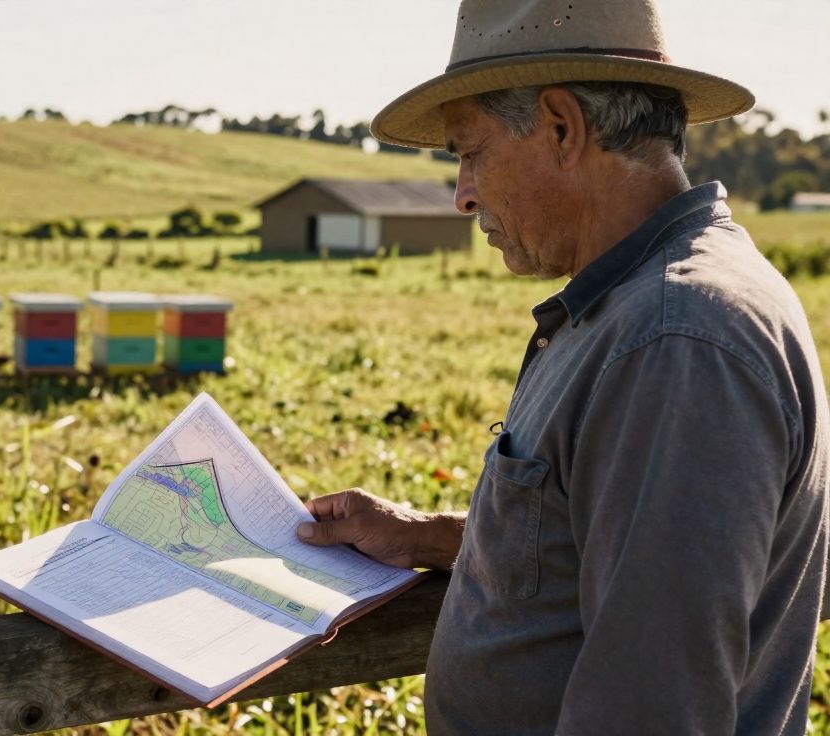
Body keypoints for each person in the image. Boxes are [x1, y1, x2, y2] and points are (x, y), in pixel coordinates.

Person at [296, 1, 829, 733]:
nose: (463, 194)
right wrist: (425, 534)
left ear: (561, 127)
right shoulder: (640, 308)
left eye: (469, 151)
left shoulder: (676, 342)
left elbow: (653, 706)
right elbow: (610, 546)